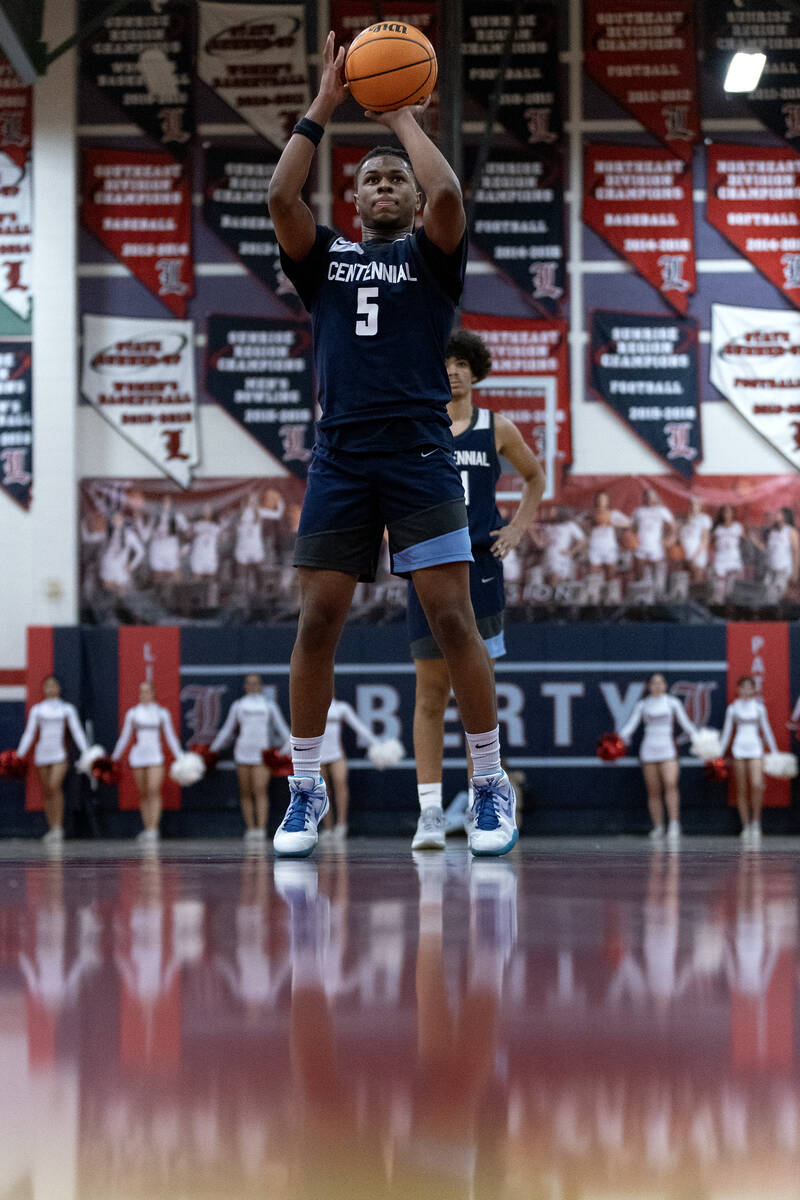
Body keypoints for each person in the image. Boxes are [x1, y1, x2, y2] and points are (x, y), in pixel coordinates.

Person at [267, 31, 516, 858]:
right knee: (318, 623)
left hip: (417, 453)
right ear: (355, 199)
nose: (382, 184)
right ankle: (305, 789)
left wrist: (405, 116)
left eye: (393, 179)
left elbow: (448, 195)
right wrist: (326, 103)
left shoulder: (430, 255)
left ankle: (487, 785)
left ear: (405, 202)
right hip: (341, 455)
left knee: (451, 618)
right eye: (369, 177)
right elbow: (279, 197)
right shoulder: (327, 258)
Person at [408, 327, 544, 850]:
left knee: (476, 691)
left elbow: (536, 479)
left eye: (463, 362)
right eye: (446, 361)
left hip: (479, 568)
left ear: (477, 369)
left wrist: (516, 528)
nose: (454, 370)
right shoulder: (419, 424)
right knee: (428, 692)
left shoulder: (496, 427)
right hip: (424, 562)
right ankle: (429, 814)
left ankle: (482, 802)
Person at [209, 673, 291, 842]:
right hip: (242, 754)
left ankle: (261, 828)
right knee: (245, 792)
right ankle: (250, 828)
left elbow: (283, 730)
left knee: (260, 791)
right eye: (249, 683)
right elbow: (227, 730)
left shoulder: (270, 706)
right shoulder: (238, 706)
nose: (253, 686)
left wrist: (284, 751)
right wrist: (211, 750)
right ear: (245, 686)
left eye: (256, 683)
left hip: (262, 755)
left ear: (261, 686)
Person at [617, 673, 697, 842]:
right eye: (654, 683)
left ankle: (674, 824)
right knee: (653, 790)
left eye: (661, 683)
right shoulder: (642, 704)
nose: (658, 686)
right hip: (649, 750)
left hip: (668, 749)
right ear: (649, 686)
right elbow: (630, 726)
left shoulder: (672, 702)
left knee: (670, 784)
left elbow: (686, 724)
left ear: (666, 685)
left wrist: (701, 741)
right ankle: (658, 826)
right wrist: (618, 740)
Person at [16, 675, 89, 843]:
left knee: (54, 786)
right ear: (43, 689)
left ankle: (58, 827)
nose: (50, 689)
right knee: (47, 791)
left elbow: (77, 731)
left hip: (59, 755)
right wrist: (19, 755)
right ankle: (52, 827)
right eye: (47, 686)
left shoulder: (66, 709)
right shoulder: (38, 709)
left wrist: (87, 752)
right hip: (42, 753)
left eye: (53, 685)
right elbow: (30, 733)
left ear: (58, 688)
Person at [111, 680, 183, 843]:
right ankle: (147, 826)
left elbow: (170, 736)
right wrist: (113, 758)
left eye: (147, 691)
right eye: (141, 691)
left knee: (153, 789)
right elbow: (125, 737)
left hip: (155, 756)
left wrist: (180, 757)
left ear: (153, 693)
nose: (144, 695)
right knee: (143, 793)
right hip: (138, 756)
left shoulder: (162, 713)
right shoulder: (133, 713)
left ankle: (153, 828)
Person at [720, 676, 778, 843]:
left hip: (756, 749)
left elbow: (766, 730)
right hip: (739, 749)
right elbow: (726, 733)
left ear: (754, 689)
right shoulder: (732, 708)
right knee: (742, 789)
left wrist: (774, 752)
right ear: (738, 689)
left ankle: (756, 822)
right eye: (742, 687)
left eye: (749, 687)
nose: (746, 690)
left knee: (757, 784)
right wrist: (718, 752)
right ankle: (745, 826)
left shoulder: (759, 708)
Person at [318, 696, 381, 841]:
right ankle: (327, 827)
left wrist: (376, 743)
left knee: (341, 785)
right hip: (318, 755)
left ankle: (341, 825)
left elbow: (359, 727)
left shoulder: (341, 707)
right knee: (322, 790)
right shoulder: (312, 706)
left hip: (337, 755)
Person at [631, 487, 675, 594]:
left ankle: (657, 598)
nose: (649, 497)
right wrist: (633, 541)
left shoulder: (662, 510)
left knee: (658, 578)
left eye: (652, 495)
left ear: (656, 497)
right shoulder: (638, 511)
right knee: (639, 578)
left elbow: (672, 526)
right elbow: (632, 528)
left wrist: (668, 539)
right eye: (647, 495)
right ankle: (641, 599)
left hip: (656, 547)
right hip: (640, 547)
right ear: (644, 497)